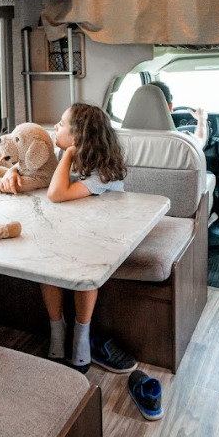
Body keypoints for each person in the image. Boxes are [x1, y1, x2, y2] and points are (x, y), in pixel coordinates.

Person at [37, 102, 135, 374]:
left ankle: (81, 335)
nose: (55, 127)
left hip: (101, 235)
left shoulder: (103, 173)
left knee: (83, 269)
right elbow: (40, 178)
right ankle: (58, 330)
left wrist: (67, 153)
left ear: (80, 137)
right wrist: (13, 171)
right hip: (71, 228)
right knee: (46, 266)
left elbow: (56, 194)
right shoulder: (65, 151)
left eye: (62, 124)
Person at [148, 80, 209, 148]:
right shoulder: (181, 141)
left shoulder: (134, 138)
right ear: (170, 107)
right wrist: (202, 119)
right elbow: (200, 141)